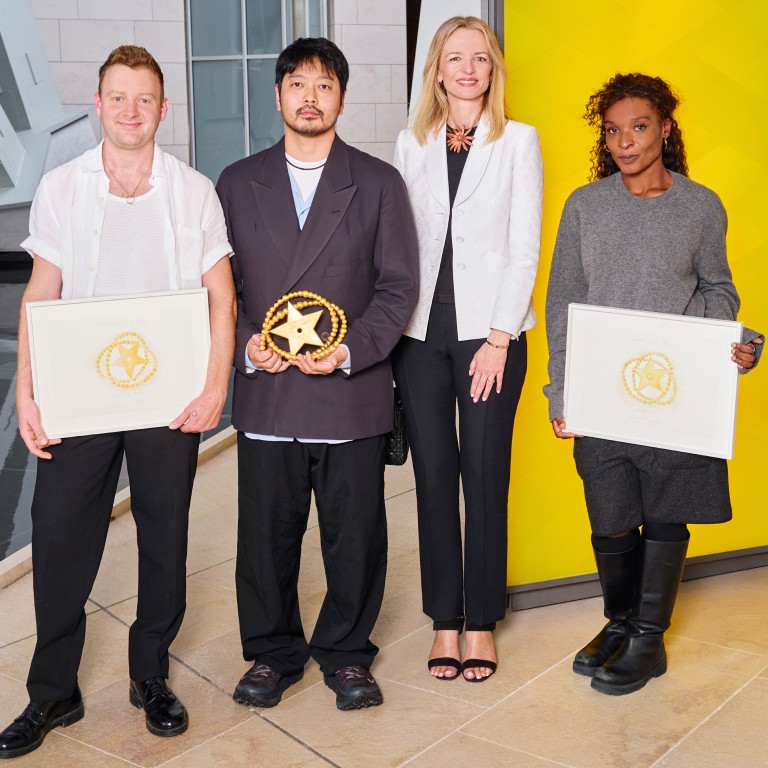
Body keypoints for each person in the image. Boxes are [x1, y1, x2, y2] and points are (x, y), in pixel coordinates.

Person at [0, 46, 235, 759]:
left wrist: (215, 385)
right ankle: (53, 693)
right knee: (63, 534)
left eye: (144, 99)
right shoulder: (62, 187)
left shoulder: (194, 191)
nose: (131, 111)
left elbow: (222, 299)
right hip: (81, 389)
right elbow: (41, 293)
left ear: (164, 110)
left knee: (165, 536)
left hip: (169, 396)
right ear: (98, 105)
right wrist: (27, 391)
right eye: (118, 97)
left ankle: (150, 675)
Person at [216, 37, 418, 711]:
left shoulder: (379, 182)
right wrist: (247, 346)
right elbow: (222, 288)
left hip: (350, 391)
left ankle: (346, 652)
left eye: (324, 85)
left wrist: (350, 350)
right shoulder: (238, 182)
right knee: (265, 535)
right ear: (277, 96)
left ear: (341, 97)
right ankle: (273, 653)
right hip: (269, 391)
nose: (309, 96)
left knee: (355, 533)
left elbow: (398, 288)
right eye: (297, 84)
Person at [545, 72, 763, 696]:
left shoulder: (701, 206)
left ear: (665, 128)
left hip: (678, 392)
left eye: (639, 127)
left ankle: (648, 638)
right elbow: (564, 301)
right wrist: (560, 392)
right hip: (599, 390)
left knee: (667, 511)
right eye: (613, 131)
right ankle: (619, 623)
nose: (625, 141)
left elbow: (719, 289)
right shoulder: (585, 207)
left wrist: (721, 343)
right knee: (610, 513)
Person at [392, 16, 543, 682]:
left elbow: (524, 247)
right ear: (438, 69)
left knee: (484, 477)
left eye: (480, 58)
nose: (468, 69)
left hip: (492, 338)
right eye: (456, 58)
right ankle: (443, 620)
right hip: (420, 339)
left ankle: (480, 621)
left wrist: (500, 338)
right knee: (432, 479)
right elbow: (399, 244)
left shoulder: (519, 142)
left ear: (493, 69)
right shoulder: (411, 142)